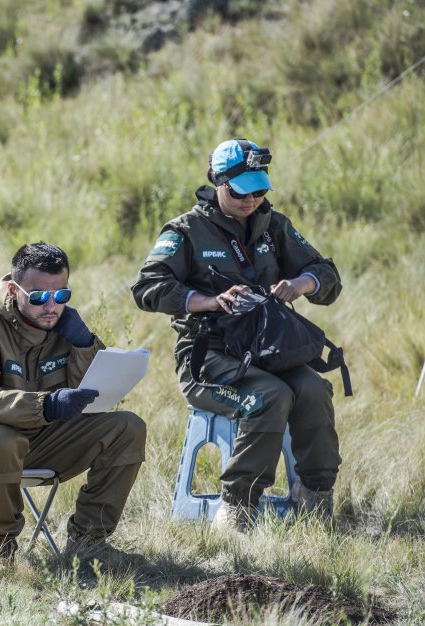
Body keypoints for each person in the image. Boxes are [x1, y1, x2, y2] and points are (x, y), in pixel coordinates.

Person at [132, 138, 342, 531]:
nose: (252, 200)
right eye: (242, 191)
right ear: (216, 180)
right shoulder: (186, 231)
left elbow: (328, 275)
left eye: (260, 190)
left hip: (268, 351)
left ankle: (315, 498)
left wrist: (303, 283)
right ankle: (238, 506)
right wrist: (208, 301)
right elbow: (147, 288)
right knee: (271, 396)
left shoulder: (273, 225)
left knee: (314, 390)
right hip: (208, 358)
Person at [0, 242, 147, 560]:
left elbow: (89, 389)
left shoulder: (62, 325)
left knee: (127, 427)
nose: (51, 306)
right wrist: (48, 404)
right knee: (1, 440)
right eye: (39, 297)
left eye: (61, 296)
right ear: (14, 290)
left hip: (36, 437)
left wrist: (86, 343)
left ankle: (88, 544)